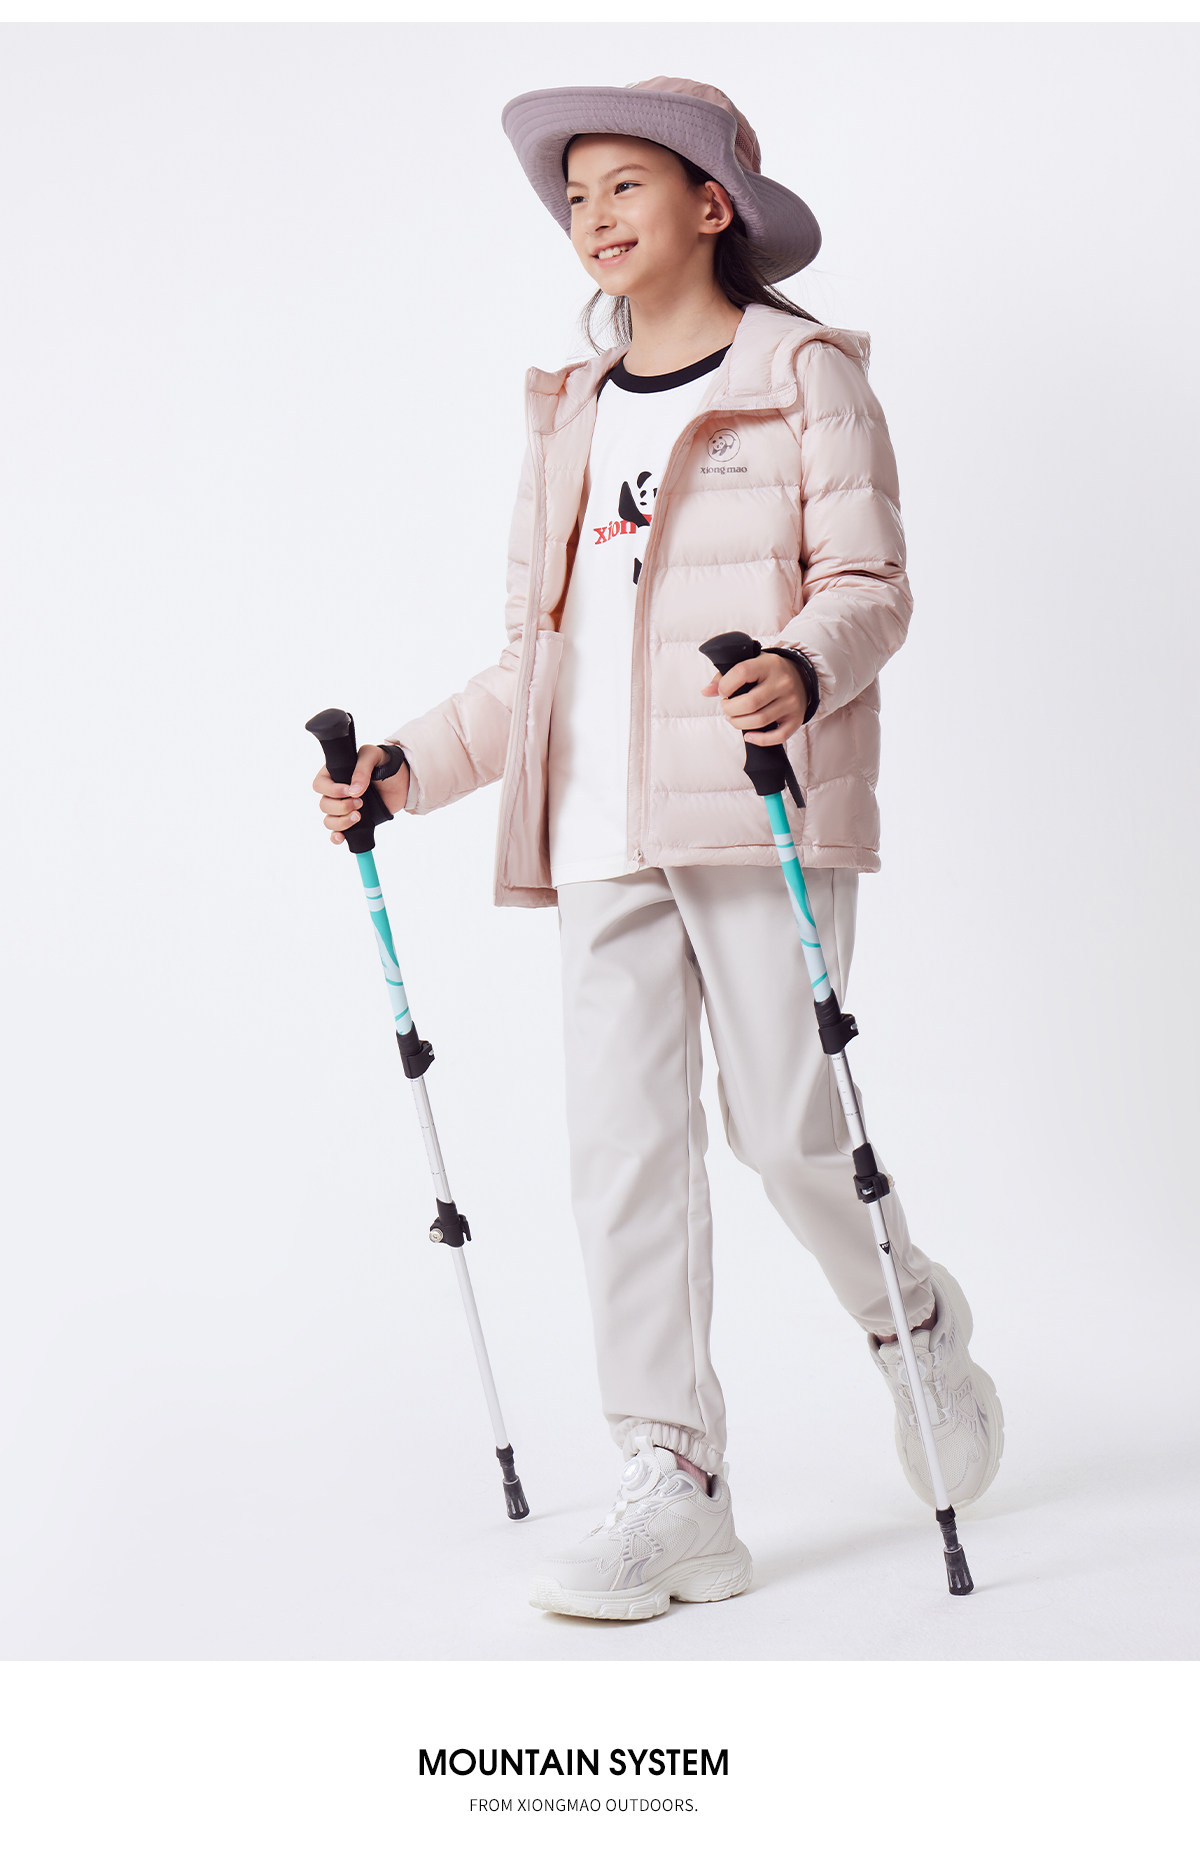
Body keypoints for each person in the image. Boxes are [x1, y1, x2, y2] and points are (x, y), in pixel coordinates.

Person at [312, 76, 1003, 1623]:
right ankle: (675, 1480)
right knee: (622, 1154)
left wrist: (805, 666)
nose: (594, 216)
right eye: (576, 196)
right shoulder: (569, 408)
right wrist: (407, 765)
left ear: (712, 204)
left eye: (626, 184)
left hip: (754, 813)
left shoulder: (803, 373)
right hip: (596, 834)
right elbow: (534, 664)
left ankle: (913, 1325)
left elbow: (871, 583)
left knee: (787, 1132)